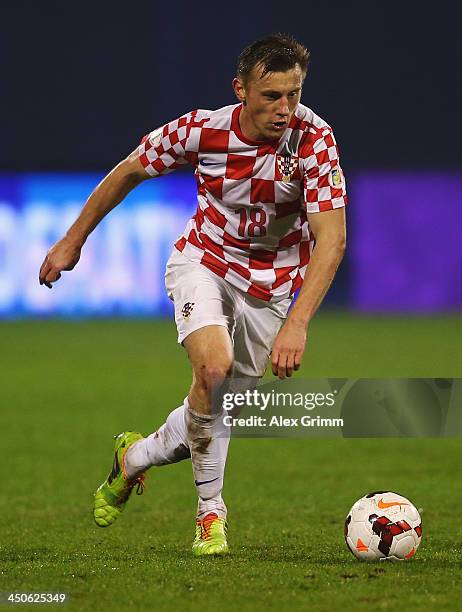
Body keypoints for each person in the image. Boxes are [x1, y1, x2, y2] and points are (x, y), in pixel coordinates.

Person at [38, 33, 347, 556]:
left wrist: (296, 321)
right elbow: (130, 169)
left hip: (272, 289)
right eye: (272, 95)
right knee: (213, 370)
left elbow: (331, 237)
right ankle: (211, 516)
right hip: (204, 262)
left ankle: (133, 459)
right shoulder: (202, 130)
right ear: (241, 90)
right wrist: (73, 240)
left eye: (293, 94)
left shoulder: (314, 140)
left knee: (215, 408)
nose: (285, 108)